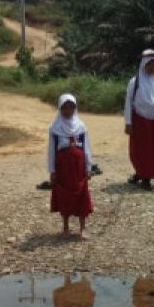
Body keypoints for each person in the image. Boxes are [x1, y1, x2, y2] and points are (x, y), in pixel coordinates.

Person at [48, 94, 94, 236]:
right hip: (63, 166)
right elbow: (51, 151)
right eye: (65, 108)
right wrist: (52, 170)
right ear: (60, 109)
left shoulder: (81, 127)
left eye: (71, 107)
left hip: (78, 166)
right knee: (64, 195)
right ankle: (66, 227)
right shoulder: (55, 128)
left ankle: (83, 228)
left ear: (75, 108)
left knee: (82, 193)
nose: (68, 111)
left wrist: (88, 167)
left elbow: (86, 148)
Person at [124, 50, 154, 191]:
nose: (152, 68)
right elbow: (129, 102)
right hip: (139, 120)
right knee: (140, 150)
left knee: (153, 150)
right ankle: (143, 176)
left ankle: (145, 175)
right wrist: (128, 122)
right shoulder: (134, 82)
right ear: (143, 65)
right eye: (149, 64)